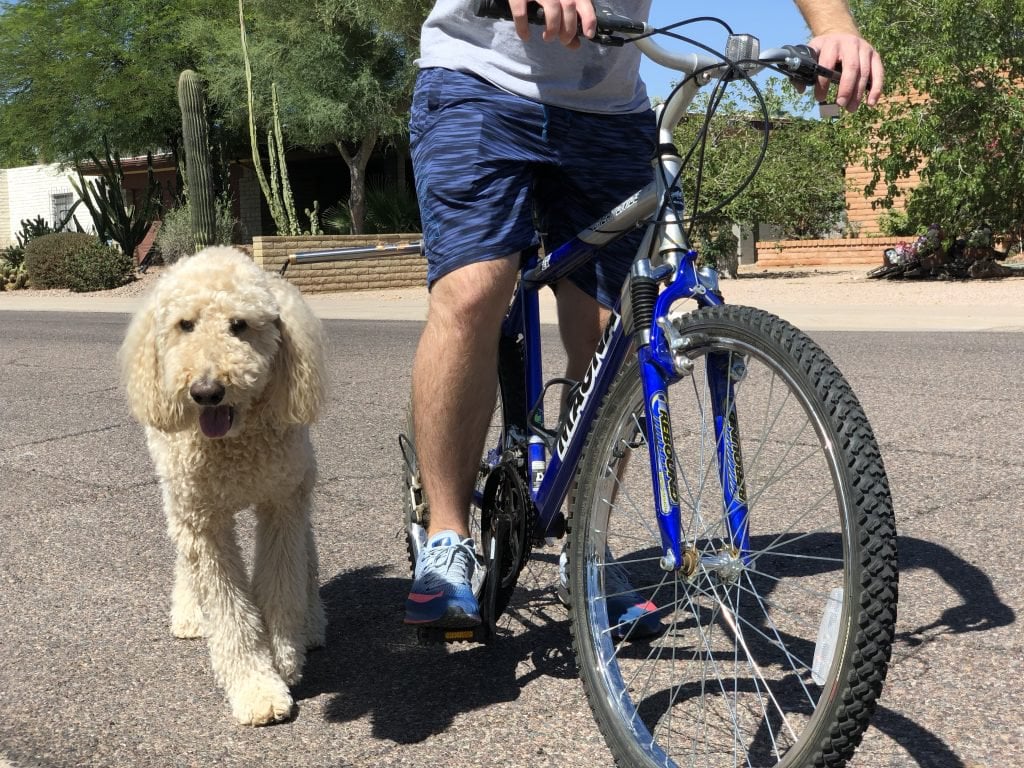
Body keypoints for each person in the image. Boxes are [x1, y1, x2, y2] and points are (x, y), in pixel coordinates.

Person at [404, 0, 884, 632]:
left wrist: (833, 28)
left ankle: (587, 546)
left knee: (617, 330)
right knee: (473, 293)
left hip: (609, 107)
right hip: (480, 77)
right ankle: (446, 535)